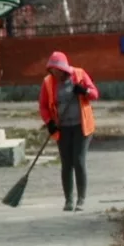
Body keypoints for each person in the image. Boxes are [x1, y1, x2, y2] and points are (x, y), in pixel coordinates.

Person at [37, 51, 100, 211]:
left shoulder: (79, 75)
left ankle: (81, 199)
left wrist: (84, 91)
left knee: (78, 160)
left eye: (57, 70)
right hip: (62, 127)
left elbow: (94, 94)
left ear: (64, 68)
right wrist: (49, 122)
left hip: (82, 126)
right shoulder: (48, 82)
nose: (55, 73)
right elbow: (43, 106)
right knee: (66, 163)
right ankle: (68, 200)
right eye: (52, 70)